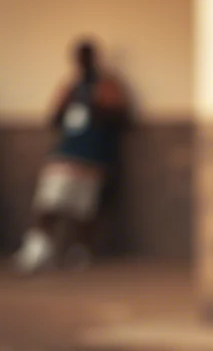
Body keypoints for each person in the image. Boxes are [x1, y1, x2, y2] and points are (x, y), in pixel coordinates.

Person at [14, 39, 128, 273]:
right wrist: (68, 105)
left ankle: (81, 250)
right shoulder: (71, 87)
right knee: (50, 198)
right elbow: (53, 119)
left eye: (87, 57)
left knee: (84, 206)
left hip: (95, 154)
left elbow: (122, 118)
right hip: (66, 153)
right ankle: (38, 248)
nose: (82, 62)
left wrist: (96, 107)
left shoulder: (107, 85)